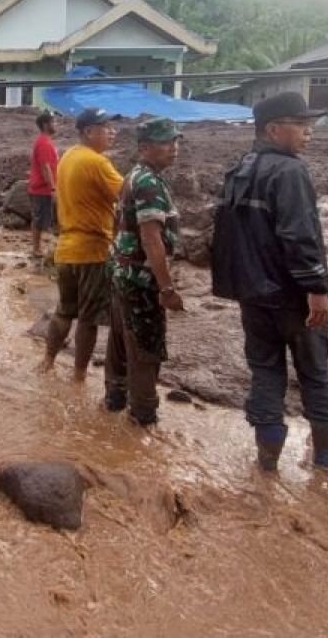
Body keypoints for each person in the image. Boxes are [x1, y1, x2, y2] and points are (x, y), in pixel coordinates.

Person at [211, 92, 328, 471]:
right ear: (273, 129)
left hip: (254, 295)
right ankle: (324, 464)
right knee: (316, 374)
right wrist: (317, 289)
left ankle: (266, 466)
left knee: (265, 373)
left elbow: (224, 238)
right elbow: (300, 236)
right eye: (301, 126)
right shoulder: (290, 172)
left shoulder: (239, 169)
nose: (308, 133)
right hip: (292, 296)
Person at [104, 118, 184, 426]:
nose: (173, 148)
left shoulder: (132, 176)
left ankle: (113, 400)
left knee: (121, 340)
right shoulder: (148, 182)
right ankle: (143, 416)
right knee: (144, 347)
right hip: (140, 278)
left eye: (175, 142)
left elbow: (116, 223)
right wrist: (166, 289)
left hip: (123, 272)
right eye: (166, 143)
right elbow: (151, 238)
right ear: (144, 148)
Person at [37, 108, 123, 380]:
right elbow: (129, 194)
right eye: (106, 127)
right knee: (87, 319)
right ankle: (78, 377)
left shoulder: (70, 156)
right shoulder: (98, 162)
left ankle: (47, 363)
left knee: (63, 311)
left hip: (66, 249)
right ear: (88, 132)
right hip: (92, 251)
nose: (112, 132)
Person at [27, 112, 60, 258]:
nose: (56, 125)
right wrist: (53, 188)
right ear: (46, 125)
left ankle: (42, 247)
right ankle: (36, 249)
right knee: (39, 219)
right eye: (53, 122)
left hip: (44, 188)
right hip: (42, 189)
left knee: (45, 219)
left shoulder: (46, 141)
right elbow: (45, 167)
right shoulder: (44, 143)